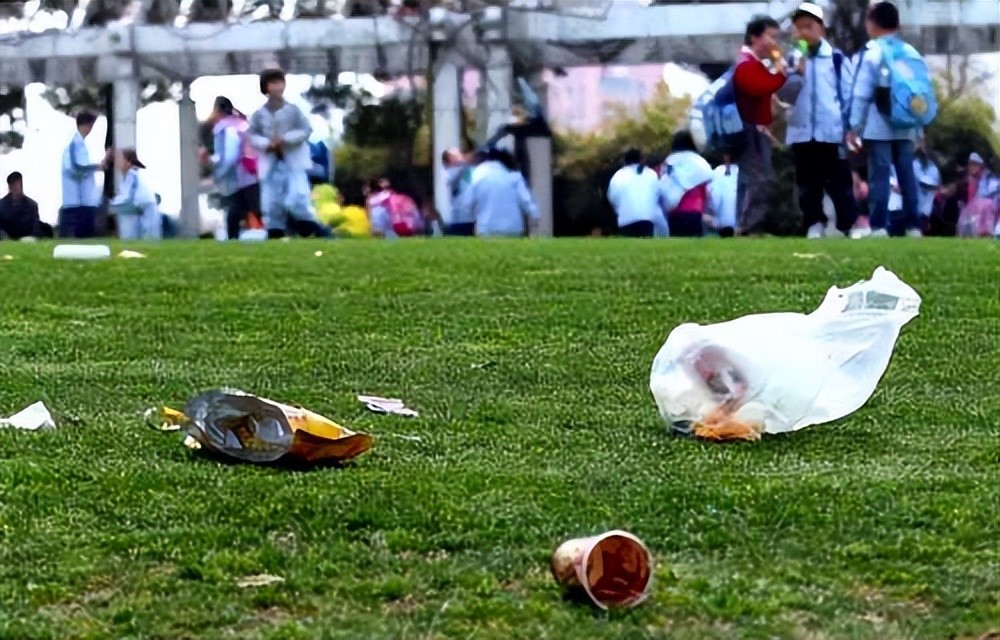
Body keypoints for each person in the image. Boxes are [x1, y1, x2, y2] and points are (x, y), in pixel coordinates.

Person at [846, 1, 926, 238]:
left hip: (878, 124)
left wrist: (854, 126)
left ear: (872, 24)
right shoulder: (911, 52)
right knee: (907, 172)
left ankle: (879, 225)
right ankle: (914, 226)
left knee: (879, 173)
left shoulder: (871, 52)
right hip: (907, 123)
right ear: (897, 24)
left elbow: (861, 93)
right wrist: (919, 127)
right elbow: (921, 93)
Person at [785, 2, 859, 239]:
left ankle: (848, 224)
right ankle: (813, 222)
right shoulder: (790, 61)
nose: (804, 32)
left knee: (839, 181)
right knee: (808, 182)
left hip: (831, 131)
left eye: (809, 26)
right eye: (798, 28)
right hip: (801, 131)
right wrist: (794, 73)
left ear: (821, 30)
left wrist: (851, 127)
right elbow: (782, 94)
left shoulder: (835, 60)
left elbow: (848, 95)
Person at [248, 68, 332, 239]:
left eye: (279, 82)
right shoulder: (258, 114)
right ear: (265, 87)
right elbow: (252, 136)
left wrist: (285, 140)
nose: (277, 87)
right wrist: (267, 144)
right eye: (272, 83)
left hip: (293, 160)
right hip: (271, 162)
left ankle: (311, 227)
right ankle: (275, 232)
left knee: (297, 196)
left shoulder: (294, 110)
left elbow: (305, 130)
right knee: (271, 201)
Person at [733, 15, 788, 235]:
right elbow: (760, 87)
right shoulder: (746, 64)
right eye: (771, 37)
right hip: (752, 130)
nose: (775, 43)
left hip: (758, 128)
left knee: (755, 178)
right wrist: (780, 72)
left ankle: (748, 226)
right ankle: (747, 227)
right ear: (755, 37)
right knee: (760, 178)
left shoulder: (753, 63)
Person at [209, 96, 262, 240]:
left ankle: (282, 233)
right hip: (252, 171)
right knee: (240, 208)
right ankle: (233, 238)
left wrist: (219, 172)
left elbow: (230, 154)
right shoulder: (240, 123)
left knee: (253, 208)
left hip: (243, 173)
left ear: (218, 110)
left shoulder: (225, 127)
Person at [464, 148, 538, 237]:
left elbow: (467, 205)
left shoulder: (476, 178)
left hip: (486, 228)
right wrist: (535, 220)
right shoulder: (515, 178)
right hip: (513, 229)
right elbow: (528, 202)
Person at [60, 111, 112, 238]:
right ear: (86, 125)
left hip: (80, 199)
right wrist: (99, 165)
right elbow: (77, 166)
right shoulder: (75, 142)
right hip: (77, 199)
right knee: (81, 233)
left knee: (84, 231)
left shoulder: (78, 142)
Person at [658, 131, 714, 237]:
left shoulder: (669, 161)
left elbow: (663, 184)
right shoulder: (699, 161)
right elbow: (708, 182)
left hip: (674, 211)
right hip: (694, 210)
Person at [607, 147, 662, 238]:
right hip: (648, 220)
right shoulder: (651, 174)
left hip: (625, 221)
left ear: (624, 160)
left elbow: (612, 197)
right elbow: (658, 195)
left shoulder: (618, 175)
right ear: (642, 160)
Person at [109, 149, 162, 240]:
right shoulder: (126, 178)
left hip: (148, 206)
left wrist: (112, 206)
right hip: (140, 207)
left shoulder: (132, 176)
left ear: (128, 163)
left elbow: (129, 198)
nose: (117, 162)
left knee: (150, 238)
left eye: (120, 159)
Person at [956, 152, 1000, 237]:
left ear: (980, 165)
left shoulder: (989, 178)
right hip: (974, 213)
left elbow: (986, 197)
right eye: (970, 164)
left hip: (988, 211)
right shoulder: (971, 179)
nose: (970, 167)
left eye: (973, 164)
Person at [442, 148, 476, 236]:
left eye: (459, 154)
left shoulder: (471, 169)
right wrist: (465, 161)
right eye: (455, 156)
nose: (460, 156)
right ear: (448, 161)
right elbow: (455, 175)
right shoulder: (449, 173)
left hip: (475, 218)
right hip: (461, 221)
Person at [0, 172, 42, 240]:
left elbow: (36, 227)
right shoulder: (2, 205)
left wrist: (31, 238)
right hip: (6, 239)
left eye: (20, 185)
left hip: (26, 238)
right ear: (10, 187)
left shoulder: (32, 205)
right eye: (15, 185)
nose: (18, 188)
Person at [912, 137, 940, 232]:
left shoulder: (928, 164)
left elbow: (926, 183)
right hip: (919, 208)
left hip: (923, 208)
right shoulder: (914, 162)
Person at [708, 155, 739, 238]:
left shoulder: (716, 172)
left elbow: (714, 202)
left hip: (719, 228)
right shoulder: (748, 173)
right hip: (742, 228)